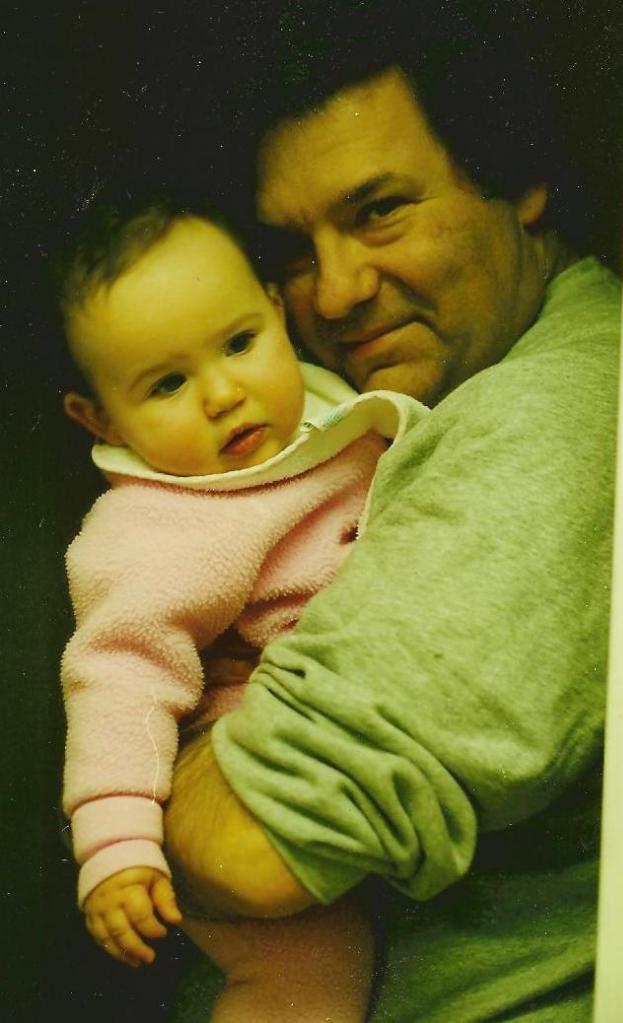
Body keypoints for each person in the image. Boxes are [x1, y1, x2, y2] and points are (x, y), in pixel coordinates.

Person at [160, 5, 623, 1021]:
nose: (333, 293)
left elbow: (250, 846)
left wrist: (164, 746)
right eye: (292, 250)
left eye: (379, 211)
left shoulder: (550, 416)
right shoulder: (431, 402)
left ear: (521, 183)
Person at [57, 200, 427, 1021]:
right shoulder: (147, 527)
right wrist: (117, 840)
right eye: (168, 383)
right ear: (101, 417)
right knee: (310, 979)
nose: (224, 393)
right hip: (240, 769)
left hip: (371, 733)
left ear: (275, 309)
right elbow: (118, 675)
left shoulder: (334, 409)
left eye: (237, 344)